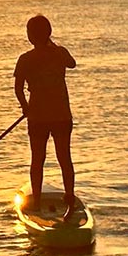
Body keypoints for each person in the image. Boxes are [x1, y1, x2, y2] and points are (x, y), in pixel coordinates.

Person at [14, 14, 77, 219]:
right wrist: (53, 46)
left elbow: (18, 89)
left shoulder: (25, 59)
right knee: (64, 158)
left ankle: (37, 202)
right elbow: (72, 63)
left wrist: (25, 107)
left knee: (37, 159)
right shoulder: (59, 53)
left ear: (31, 36)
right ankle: (69, 197)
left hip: (39, 116)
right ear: (49, 33)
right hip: (60, 116)